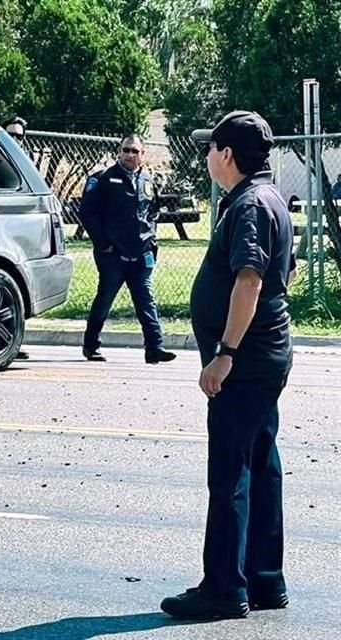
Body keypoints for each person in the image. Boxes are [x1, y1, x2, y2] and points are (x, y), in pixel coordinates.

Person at [161, 111, 295, 620]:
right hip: (265, 355)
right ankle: (264, 580)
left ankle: (223, 588)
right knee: (260, 466)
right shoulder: (267, 197)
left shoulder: (249, 205)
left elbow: (250, 280)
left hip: (247, 359)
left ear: (228, 155)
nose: (207, 157)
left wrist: (225, 353)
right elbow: (283, 271)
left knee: (231, 473)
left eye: (210, 148)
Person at [78, 134, 176, 364]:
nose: (129, 155)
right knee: (105, 298)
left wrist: (150, 239)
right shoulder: (103, 178)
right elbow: (88, 213)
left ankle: (155, 347)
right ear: (119, 152)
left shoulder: (148, 180)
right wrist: (103, 243)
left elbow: (152, 211)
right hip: (112, 254)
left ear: (143, 154)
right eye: (126, 150)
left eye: (134, 151)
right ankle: (91, 345)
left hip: (141, 253)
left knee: (146, 299)